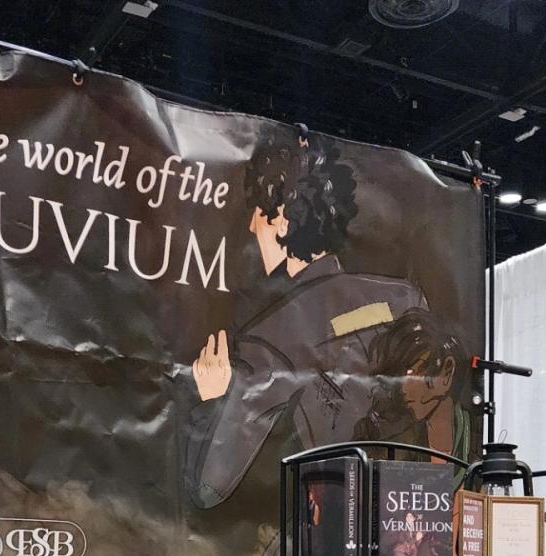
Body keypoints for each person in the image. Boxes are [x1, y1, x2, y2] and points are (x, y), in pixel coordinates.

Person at [183, 134, 428, 509]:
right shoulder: (403, 299)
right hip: (411, 509)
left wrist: (213, 399)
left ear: (282, 220)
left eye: (259, 213)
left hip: (333, 522)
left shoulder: (269, 340)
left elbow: (208, 487)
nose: (252, 226)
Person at [362, 308, 474, 461]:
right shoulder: (394, 444)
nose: (403, 388)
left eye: (414, 373)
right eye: (398, 377)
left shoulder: (485, 434)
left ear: (447, 371)